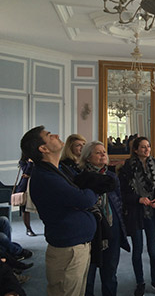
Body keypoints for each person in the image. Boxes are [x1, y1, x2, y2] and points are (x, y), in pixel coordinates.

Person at [20, 126, 98, 296]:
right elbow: (85, 200)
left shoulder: (55, 171)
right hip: (68, 250)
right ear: (43, 148)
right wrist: (96, 187)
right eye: (49, 135)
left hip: (75, 245)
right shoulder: (47, 177)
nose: (55, 135)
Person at [76, 141, 130, 296]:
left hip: (112, 229)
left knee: (110, 274)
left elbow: (119, 202)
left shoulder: (112, 176)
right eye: (98, 152)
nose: (103, 155)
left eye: (104, 152)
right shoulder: (81, 178)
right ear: (87, 157)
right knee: (89, 276)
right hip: (91, 231)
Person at [119, 137, 155, 296]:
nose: (147, 149)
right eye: (143, 147)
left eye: (148, 146)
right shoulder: (127, 168)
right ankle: (140, 282)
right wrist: (138, 199)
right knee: (137, 250)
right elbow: (122, 194)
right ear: (136, 149)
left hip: (153, 213)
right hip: (135, 213)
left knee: (154, 250)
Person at [16, 157, 36, 236]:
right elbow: (27, 172)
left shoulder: (38, 159)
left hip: (36, 184)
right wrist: (30, 163)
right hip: (25, 186)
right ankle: (28, 228)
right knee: (24, 208)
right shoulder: (22, 161)